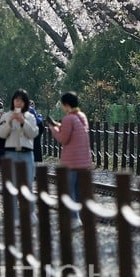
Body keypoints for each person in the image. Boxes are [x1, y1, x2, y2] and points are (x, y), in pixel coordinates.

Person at [47, 91, 91, 225]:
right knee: (79, 191)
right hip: (83, 161)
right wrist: (57, 125)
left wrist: (52, 128)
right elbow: (73, 131)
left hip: (71, 162)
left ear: (66, 105)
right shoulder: (81, 116)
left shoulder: (68, 118)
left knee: (69, 190)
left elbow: (63, 138)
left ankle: (74, 218)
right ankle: (82, 218)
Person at [0, 88, 40, 202]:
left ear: (25, 102)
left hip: (27, 153)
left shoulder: (30, 116)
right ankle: (13, 214)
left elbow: (33, 133)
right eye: (16, 100)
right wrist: (10, 122)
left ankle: (30, 213)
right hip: (11, 153)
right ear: (13, 101)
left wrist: (23, 122)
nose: (18, 103)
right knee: (11, 185)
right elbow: (1, 134)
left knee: (28, 185)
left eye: (21, 100)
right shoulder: (6, 116)